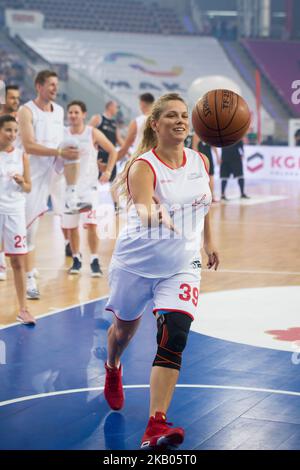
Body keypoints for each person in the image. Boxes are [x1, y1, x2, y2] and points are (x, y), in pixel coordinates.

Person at [103, 93, 219, 449]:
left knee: (175, 335)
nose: (181, 121)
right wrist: (159, 215)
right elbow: (142, 209)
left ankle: (156, 423)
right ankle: (112, 365)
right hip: (136, 264)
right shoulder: (144, 166)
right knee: (123, 332)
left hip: (182, 265)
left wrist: (208, 241)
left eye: (184, 115)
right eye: (171, 115)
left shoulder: (200, 161)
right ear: (155, 124)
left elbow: (205, 203)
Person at [17, 70, 87, 300]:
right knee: (28, 233)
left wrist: (66, 150)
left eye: (56, 85)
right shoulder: (26, 111)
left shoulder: (58, 111)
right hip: (30, 175)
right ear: (39, 86)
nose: (55, 88)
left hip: (53, 172)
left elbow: (61, 145)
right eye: (50, 84)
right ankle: (29, 278)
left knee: (72, 143)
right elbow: (28, 145)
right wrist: (58, 151)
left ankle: (72, 193)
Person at [62, 100, 118, 277]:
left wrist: (108, 171)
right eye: (70, 112)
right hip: (69, 187)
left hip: (89, 187)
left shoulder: (91, 132)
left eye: (76, 112)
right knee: (71, 228)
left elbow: (113, 150)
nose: (73, 115)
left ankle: (94, 259)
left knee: (91, 224)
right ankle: (76, 258)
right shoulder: (62, 133)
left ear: (83, 114)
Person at [0, 115, 35, 325]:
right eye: (8, 130)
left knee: (18, 261)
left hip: (14, 211)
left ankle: (23, 309)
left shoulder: (22, 156)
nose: (12, 134)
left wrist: (22, 182)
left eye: (15, 131)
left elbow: (29, 187)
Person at [0, 85, 21, 281]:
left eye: (17, 98)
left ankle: (27, 268)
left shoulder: (20, 120)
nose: (16, 101)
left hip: (16, 171)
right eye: (12, 98)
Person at [89, 100, 124, 212]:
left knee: (113, 181)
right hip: (98, 154)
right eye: (116, 107)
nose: (117, 109)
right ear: (109, 107)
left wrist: (129, 151)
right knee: (92, 179)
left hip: (111, 155)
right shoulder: (98, 118)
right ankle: (89, 205)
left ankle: (117, 206)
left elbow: (119, 139)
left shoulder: (114, 123)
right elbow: (86, 132)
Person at [117, 93, 155, 160]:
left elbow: (125, 148)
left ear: (142, 103)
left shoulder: (137, 122)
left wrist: (110, 164)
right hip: (156, 161)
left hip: (140, 160)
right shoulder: (161, 120)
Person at [192, 134, 219, 202]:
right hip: (207, 157)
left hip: (202, 158)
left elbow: (194, 148)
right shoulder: (208, 134)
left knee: (204, 177)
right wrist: (217, 156)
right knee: (210, 177)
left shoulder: (197, 135)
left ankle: (206, 197)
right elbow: (214, 147)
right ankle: (211, 197)